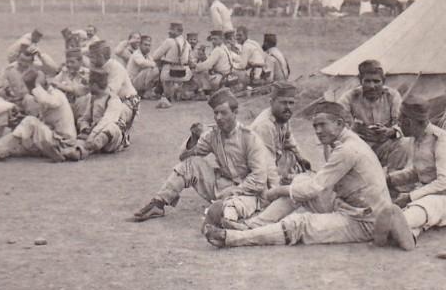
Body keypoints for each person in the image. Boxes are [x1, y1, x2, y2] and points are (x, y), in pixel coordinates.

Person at [203, 101, 392, 248]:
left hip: (364, 221)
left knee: (300, 223)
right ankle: (252, 225)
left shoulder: (348, 149)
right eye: (315, 126)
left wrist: (277, 191)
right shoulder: (343, 142)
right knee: (300, 181)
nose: (317, 131)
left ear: (339, 123)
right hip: (349, 206)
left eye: (322, 125)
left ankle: (236, 238)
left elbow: (313, 189)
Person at [131, 88, 275, 224]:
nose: (218, 118)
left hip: (250, 193)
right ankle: (158, 204)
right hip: (223, 186)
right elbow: (184, 158)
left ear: (235, 112)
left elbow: (259, 179)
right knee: (191, 164)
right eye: (216, 113)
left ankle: (224, 222)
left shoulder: (249, 138)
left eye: (223, 113)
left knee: (226, 212)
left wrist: (233, 191)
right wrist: (194, 138)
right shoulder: (213, 135)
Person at [373, 99, 446, 251]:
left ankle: (396, 223)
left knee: (430, 204)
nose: (398, 125)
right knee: (421, 207)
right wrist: (390, 179)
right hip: (428, 193)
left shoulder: (443, 140)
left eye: (400, 121)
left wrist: (411, 196)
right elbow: (417, 171)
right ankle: (409, 234)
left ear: (409, 122)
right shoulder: (416, 140)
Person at [0, 69, 82, 162]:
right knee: (22, 139)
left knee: (30, 122)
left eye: (32, 89)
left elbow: (47, 101)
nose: (31, 92)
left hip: (63, 141)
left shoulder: (56, 95)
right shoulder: (44, 96)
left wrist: (36, 86)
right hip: (51, 139)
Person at [337, 59, 406, 169]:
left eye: (376, 81)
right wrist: (355, 130)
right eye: (367, 81)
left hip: (385, 145)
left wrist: (391, 131)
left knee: (404, 143)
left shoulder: (392, 96)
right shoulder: (349, 97)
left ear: (383, 81)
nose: (372, 86)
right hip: (359, 146)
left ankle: (393, 179)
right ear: (360, 81)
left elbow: (403, 124)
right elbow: (337, 126)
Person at [249, 81, 311, 181]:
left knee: (292, 157)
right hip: (256, 169)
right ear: (271, 102)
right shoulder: (265, 125)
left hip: (274, 160)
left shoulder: (283, 117)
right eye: (283, 102)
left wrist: (301, 158)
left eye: (291, 103)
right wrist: (278, 189)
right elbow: (267, 164)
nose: (288, 107)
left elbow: (290, 141)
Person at [74, 70, 131, 155]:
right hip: (93, 131)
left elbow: (107, 120)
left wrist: (92, 135)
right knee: (79, 143)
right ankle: (83, 149)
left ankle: (95, 144)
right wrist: (85, 129)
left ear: (95, 85)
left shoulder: (113, 99)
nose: (88, 87)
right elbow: (85, 118)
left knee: (111, 127)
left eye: (89, 84)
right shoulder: (92, 98)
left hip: (110, 135)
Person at [89, 39, 139, 130]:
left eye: (92, 57)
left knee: (111, 118)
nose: (90, 60)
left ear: (101, 56)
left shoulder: (115, 68)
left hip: (127, 103)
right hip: (110, 101)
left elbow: (111, 92)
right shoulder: (97, 67)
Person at [150, 22, 191, 108]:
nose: (169, 32)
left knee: (159, 65)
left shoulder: (169, 41)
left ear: (180, 32)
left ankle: (163, 92)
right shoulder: (187, 43)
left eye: (172, 30)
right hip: (185, 75)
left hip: (169, 74)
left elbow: (155, 56)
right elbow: (190, 60)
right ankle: (178, 90)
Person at [0, 45, 42, 117]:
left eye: (27, 61)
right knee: (0, 93)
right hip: (11, 98)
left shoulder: (35, 71)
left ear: (31, 62)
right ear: (17, 58)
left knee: (29, 99)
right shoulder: (9, 69)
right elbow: (2, 85)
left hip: (26, 100)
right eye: (21, 60)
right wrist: (7, 90)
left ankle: (34, 118)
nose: (23, 63)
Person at [49, 46, 90, 118]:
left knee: (83, 98)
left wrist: (61, 83)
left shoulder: (86, 74)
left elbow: (77, 91)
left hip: (81, 109)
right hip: (66, 107)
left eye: (72, 62)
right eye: (67, 62)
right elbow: (54, 82)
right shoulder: (65, 72)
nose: (69, 65)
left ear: (80, 62)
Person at [193, 29, 235, 94]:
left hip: (220, 78)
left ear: (221, 39)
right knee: (203, 70)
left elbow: (208, 65)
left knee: (199, 72)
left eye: (215, 39)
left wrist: (195, 66)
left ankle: (203, 92)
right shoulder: (225, 47)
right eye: (212, 39)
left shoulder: (217, 50)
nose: (213, 41)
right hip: (228, 75)